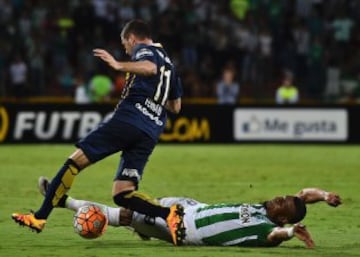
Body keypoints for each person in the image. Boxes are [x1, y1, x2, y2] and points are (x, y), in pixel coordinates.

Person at [12, 19, 184, 245]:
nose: (126, 49)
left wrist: (118, 65)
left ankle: (39, 217)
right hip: (150, 132)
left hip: (128, 120)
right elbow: (175, 107)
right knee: (122, 193)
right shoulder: (170, 66)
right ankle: (168, 214)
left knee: (75, 162)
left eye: (125, 45)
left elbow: (149, 68)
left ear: (132, 38)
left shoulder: (144, 50)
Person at [37, 177, 341, 248]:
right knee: (132, 212)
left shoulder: (264, 229)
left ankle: (64, 201)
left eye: (280, 204)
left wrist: (291, 233)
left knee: (128, 213)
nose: (275, 199)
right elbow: (303, 196)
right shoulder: (267, 209)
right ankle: (63, 201)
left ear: (283, 218)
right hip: (191, 206)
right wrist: (325, 196)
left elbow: (276, 237)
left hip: (184, 229)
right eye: (280, 198)